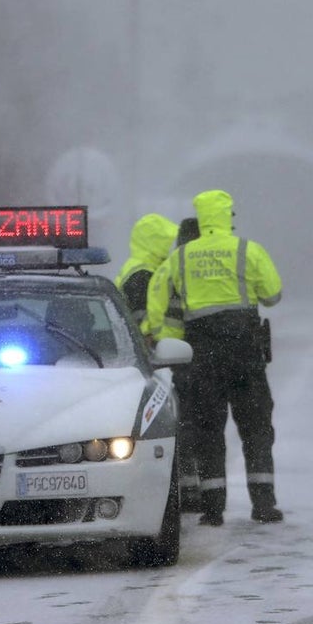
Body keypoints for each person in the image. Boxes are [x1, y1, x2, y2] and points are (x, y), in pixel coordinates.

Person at [149, 190, 283, 526]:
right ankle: (263, 505)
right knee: (255, 427)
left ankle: (212, 509)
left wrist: (152, 331)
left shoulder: (180, 258)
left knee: (209, 429)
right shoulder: (247, 251)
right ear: (227, 217)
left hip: (203, 354)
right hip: (245, 353)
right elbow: (273, 294)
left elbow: (157, 293)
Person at [146, 217, 202, 511]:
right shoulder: (197, 268)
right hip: (197, 355)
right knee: (203, 424)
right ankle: (201, 492)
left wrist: (160, 341)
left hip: (177, 356)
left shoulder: (173, 266)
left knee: (188, 423)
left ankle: (191, 489)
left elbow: (160, 314)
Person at [114, 213, 178, 333]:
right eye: (166, 242)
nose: (169, 248)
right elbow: (141, 318)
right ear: (155, 242)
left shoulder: (134, 267)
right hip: (143, 342)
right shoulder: (142, 275)